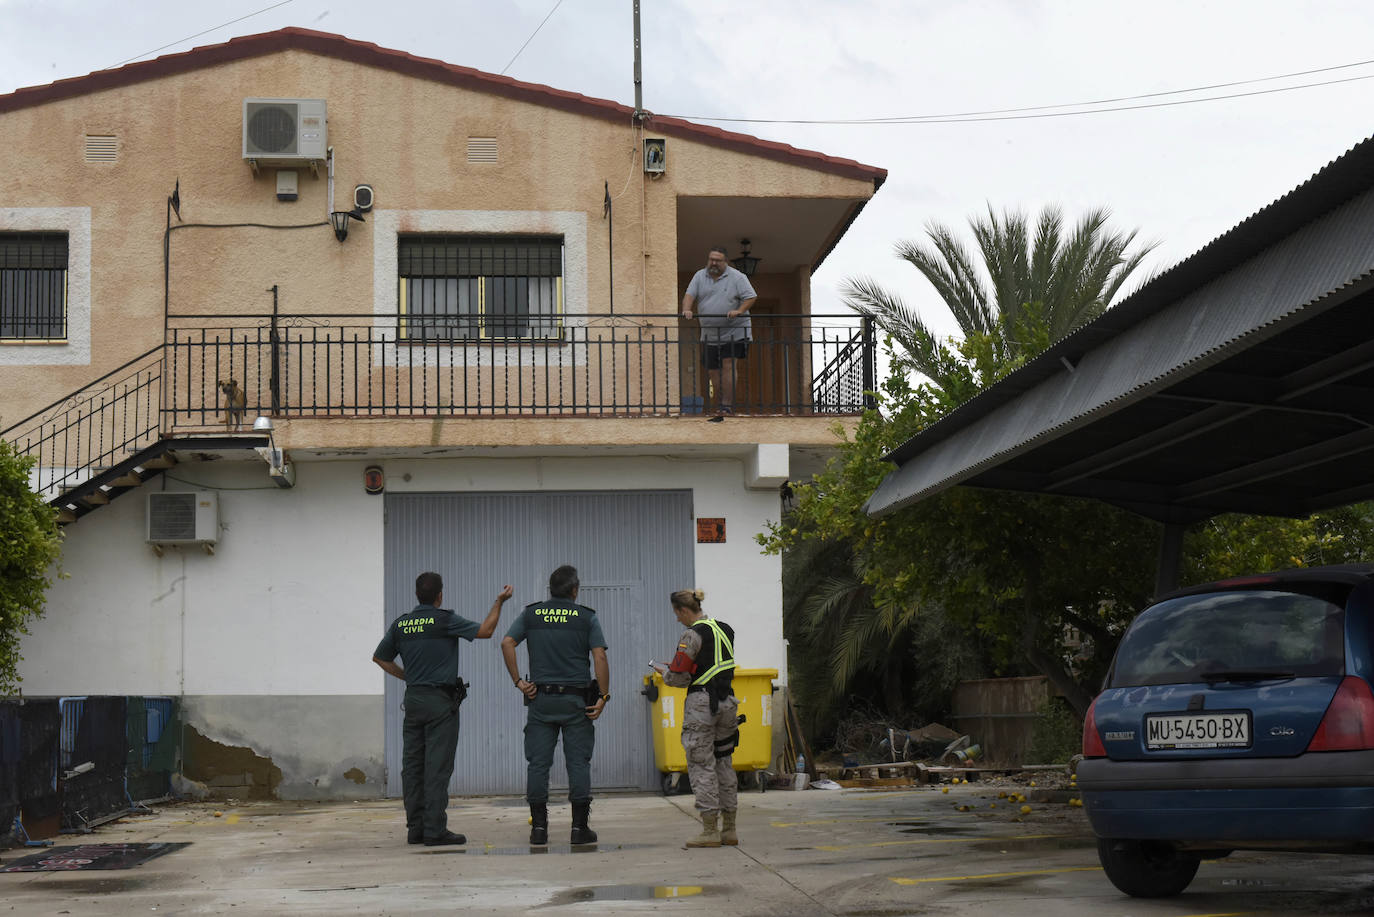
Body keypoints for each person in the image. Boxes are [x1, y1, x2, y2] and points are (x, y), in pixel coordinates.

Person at [372, 572, 513, 846]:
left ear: (417, 595)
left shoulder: (402, 624)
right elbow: (486, 631)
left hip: (413, 701)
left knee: (413, 766)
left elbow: (379, 657)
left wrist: (408, 677)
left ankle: (416, 828)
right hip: (440, 703)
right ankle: (434, 830)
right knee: (436, 767)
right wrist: (499, 602)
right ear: (440, 595)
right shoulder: (444, 619)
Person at [501, 564, 610, 846]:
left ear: (551, 590)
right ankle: (579, 830)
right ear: (574, 590)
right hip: (576, 702)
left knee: (538, 764)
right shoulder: (586, 617)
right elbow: (599, 656)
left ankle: (539, 830)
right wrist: (603, 696)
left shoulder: (532, 614)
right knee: (578, 763)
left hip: (541, 701)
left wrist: (518, 682)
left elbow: (507, 642)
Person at [651, 588, 740, 848]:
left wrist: (664, 672)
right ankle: (730, 829)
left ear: (683, 610)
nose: (677, 619)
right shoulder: (725, 629)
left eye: (677, 614)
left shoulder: (692, 634)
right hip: (728, 702)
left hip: (701, 705)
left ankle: (710, 830)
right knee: (724, 762)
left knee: (701, 765)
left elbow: (679, 678)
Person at [681, 245, 757, 415]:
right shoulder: (700, 276)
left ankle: (726, 405)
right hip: (709, 333)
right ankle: (720, 402)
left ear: (726, 262)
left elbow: (751, 297)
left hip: (735, 330)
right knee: (713, 370)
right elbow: (689, 295)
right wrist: (687, 309)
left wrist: (739, 311)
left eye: (718, 260)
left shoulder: (738, 277)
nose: (713, 263)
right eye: (711, 259)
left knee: (728, 364)